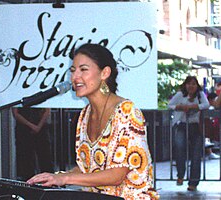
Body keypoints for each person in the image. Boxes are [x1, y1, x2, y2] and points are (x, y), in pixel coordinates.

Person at [27, 43, 159, 199]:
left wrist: (65, 178)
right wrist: (55, 176)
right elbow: (86, 168)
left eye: (83, 70)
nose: (75, 77)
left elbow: (117, 175)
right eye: (73, 70)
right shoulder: (84, 115)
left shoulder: (126, 112)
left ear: (105, 73)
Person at [168, 76, 210, 191]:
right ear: (185, 85)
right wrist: (179, 107)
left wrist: (195, 106)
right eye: (189, 84)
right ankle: (180, 174)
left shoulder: (200, 95)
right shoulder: (180, 95)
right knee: (179, 148)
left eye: (193, 84)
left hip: (196, 126)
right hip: (181, 125)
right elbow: (169, 105)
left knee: (196, 154)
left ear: (197, 86)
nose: (191, 86)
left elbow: (206, 105)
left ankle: (193, 182)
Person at [12, 107, 54, 181]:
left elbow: (47, 111)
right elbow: (15, 113)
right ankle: (29, 182)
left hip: (36, 127)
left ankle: (48, 182)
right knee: (26, 159)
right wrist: (34, 126)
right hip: (25, 130)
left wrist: (37, 126)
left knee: (44, 158)